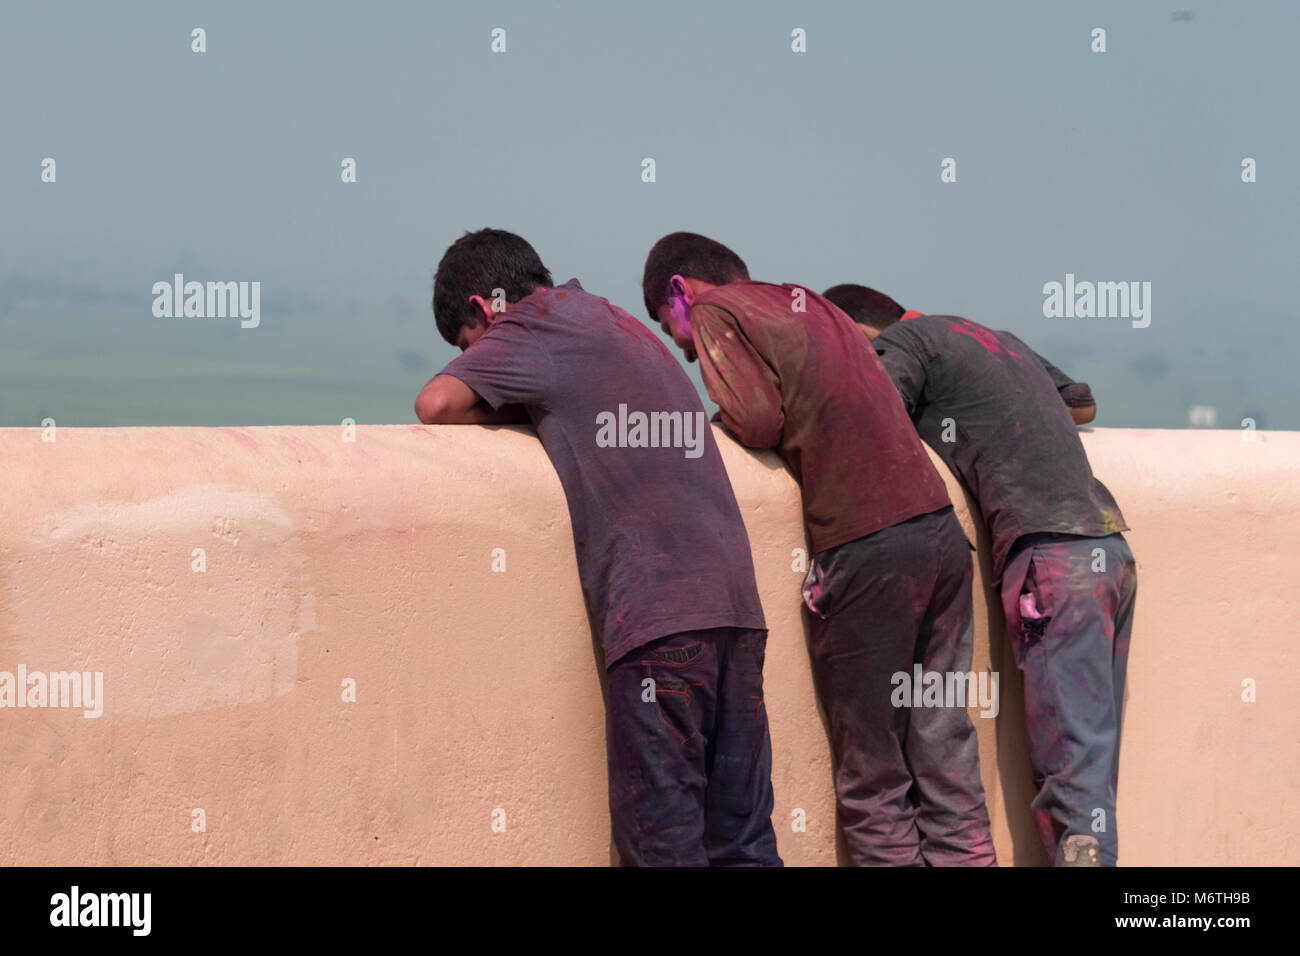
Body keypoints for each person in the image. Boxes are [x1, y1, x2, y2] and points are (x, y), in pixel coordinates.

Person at [414, 229, 780, 866]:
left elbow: (436, 404)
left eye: (470, 345)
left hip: (659, 623)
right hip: (736, 611)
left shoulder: (530, 328)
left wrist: (510, 407)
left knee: (662, 846)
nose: (480, 360)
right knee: (743, 844)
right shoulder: (614, 321)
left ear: (483, 308)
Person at [642, 232, 997, 866]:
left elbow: (756, 419)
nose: (689, 351)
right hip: (940, 534)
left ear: (680, 292)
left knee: (876, 780)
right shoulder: (809, 301)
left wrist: (721, 407)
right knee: (946, 754)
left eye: (677, 334)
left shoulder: (720, 310)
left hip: (868, 545)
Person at [823, 283, 1137, 867]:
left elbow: (873, 411)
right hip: (1108, 549)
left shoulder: (903, 343)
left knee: (1072, 780)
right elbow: (1083, 406)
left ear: (861, 332)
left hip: (1051, 560)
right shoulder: (997, 340)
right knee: (1091, 767)